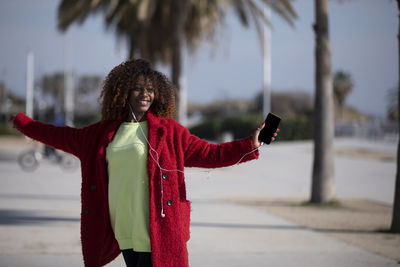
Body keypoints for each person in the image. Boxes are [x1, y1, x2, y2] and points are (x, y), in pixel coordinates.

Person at [10, 59, 278, 267]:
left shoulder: (170, 132)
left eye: (150, 89)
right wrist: (19, 120)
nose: (144, 94)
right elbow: (57, 135)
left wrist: (250, 144)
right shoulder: (98, 135)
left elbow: (211, 154)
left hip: (159, 232)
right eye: (137, 88)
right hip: (124, 231)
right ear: (123, 92)